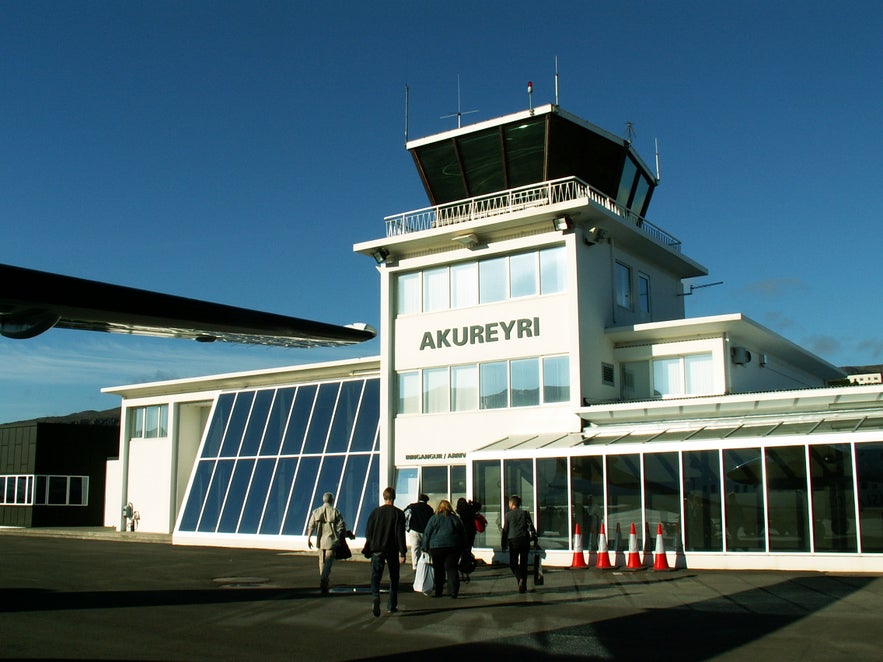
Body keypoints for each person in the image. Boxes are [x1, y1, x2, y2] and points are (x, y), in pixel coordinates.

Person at [364, 486, 407, 617]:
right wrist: (403, 552)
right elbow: (400, 534)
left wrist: (370, 545)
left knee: (376, 575)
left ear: (384, 497)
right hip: (392, 549)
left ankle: (375, 595)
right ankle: (391, 605)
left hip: (377, 548)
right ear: (394, 497)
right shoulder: (398, 513)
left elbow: (368, 532)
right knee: (394, 577)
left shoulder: (375, 513)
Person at [306, 492, 352, 594]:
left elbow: (311, 526)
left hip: (320, 542)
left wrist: (308, 539)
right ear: (332, 500)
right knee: (328, 563)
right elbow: (342, 527)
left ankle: (324, 579)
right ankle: (324, 579)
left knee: (321, 562)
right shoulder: (335, 512)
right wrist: (346, 535)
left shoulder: (316, 512)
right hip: (331, 541)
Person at [422, 499, 466, 598]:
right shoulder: (455, 518)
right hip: (453, 547)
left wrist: (424, 546)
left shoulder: (434, 518)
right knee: (452, 569)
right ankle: (454, 591)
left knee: (439, 570)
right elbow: (462, 533)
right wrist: (464, 546)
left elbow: (427, 533)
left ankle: (439, 591)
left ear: (439, 508)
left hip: (436, 547)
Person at [501, 494, 537, 593]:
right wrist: (534, 539)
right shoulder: (525, 513)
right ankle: (523, 585)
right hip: (525, 540)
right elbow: (532, 528)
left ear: (512, 504)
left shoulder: (508, 515)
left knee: (513, 564)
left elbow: (505, 530)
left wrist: (503, 544)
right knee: (524, 564)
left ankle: (519, 578)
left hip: (513, 541)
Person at [404, 494, 434, 570]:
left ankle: (415, 567)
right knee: (426, 549)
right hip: (425, 532)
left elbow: (405, 515)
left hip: (414, 531)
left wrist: (407, 528)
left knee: (415, 549)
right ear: (426, 501)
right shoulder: (429, 509)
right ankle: (426, 566)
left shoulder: (411, 507)